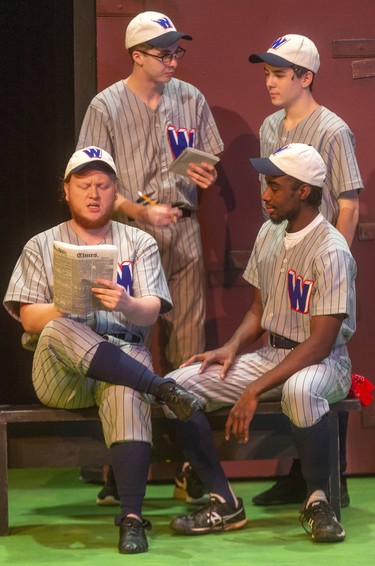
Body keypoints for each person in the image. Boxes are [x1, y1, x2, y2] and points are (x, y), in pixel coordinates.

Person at [3, 146, 204, 554]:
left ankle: (131, 519)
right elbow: (27, 319)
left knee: (124, 387)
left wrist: (127, 304)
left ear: (115, 192)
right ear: (66, 190)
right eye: (84, 185)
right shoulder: (41, 244)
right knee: (59, 326)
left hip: (121, 357)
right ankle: (161, 388)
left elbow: (152, 309)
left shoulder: (138, 241)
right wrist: (65, 304)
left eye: (103, 185)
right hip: (62, 374)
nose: (93, 193)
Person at [165, 143, 356, 543]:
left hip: (325, 363)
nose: (264, 195)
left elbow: (321, 342)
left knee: (301, 390)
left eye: (274, 186)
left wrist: (254, 389)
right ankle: (224, 501)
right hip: (273, 353)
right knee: (175, 387)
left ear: (303, 191)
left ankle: (319, 501)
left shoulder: (331, 249)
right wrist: (231, 348)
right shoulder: (270, 232)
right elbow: (258, 310)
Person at [76, 10, 221, 505]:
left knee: (186, 351)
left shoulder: (192, 98)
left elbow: (208, 160)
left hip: (182, 229)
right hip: (127, 235)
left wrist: (205, 176)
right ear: (136, 55)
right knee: (125, 349)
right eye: (164, 53)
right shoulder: (107, 105)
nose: (174, 61)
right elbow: (93, 185)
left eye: (178, 51)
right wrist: (139, 209)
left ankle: (190, 466)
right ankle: (122, 467)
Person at [248, 33, 363, 507]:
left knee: (318, 356)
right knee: (285, 353)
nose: (270, 82)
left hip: (321, 263)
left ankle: (328, 477)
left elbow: (350, 203)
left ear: (306, 77)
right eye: (267, 73)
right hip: (282, 256)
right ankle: (300, 473)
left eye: (279, 73)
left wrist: (331, 262)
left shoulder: (332, 129)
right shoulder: (270, 126)